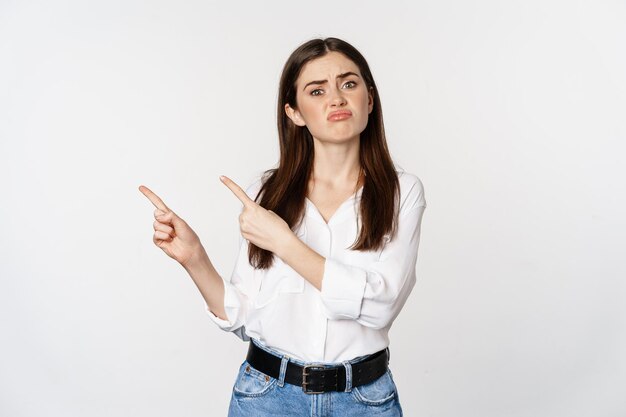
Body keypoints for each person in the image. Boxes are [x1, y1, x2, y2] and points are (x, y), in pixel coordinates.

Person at [139, 37, 426, 417]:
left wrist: (285, 243)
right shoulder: (266, 192)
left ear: (369, 101)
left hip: (364, 401)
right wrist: (194, 258)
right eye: (317, 90)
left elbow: (380, 305)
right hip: (267, 397)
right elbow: (243, 314)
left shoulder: (401, 192)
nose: (336, 98)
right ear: (294, 113)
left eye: (349, 84)